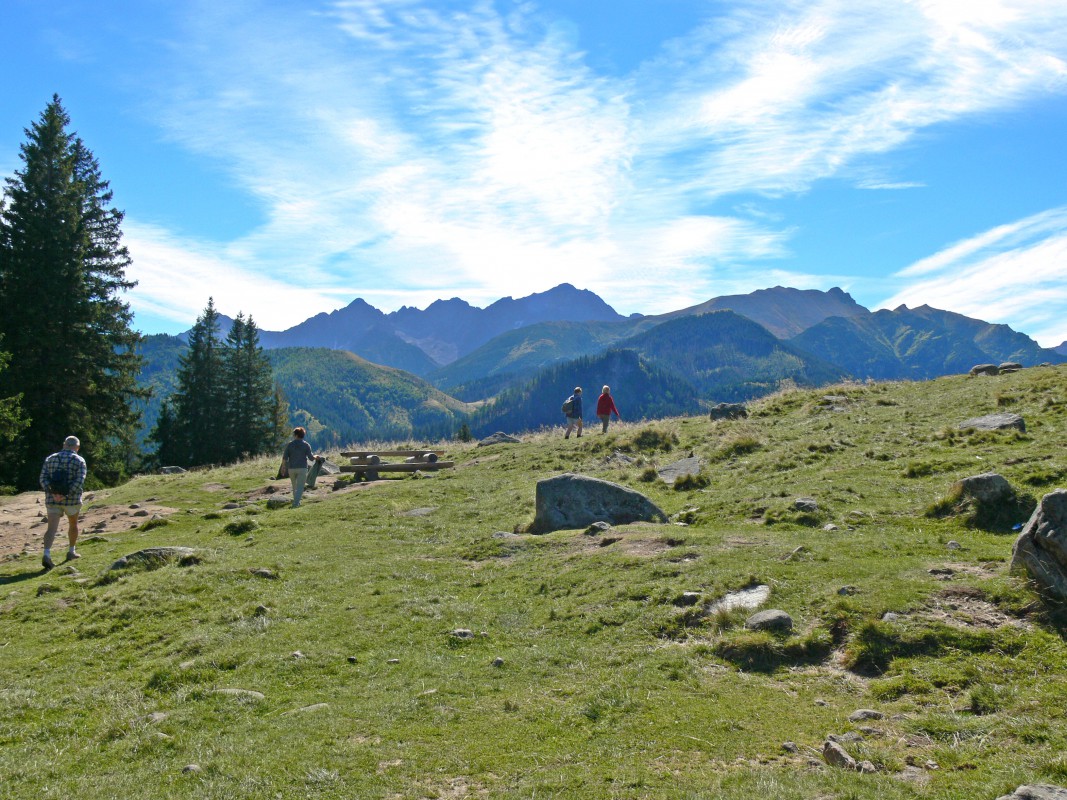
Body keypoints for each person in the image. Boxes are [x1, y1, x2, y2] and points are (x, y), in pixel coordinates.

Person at [39, 435, 88, 570]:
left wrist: (53, 493)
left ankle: (47, 554)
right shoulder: (79, 461)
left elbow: (43, 479)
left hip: (52, 500)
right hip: (72, 501)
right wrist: (66, 495)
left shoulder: (50, 458)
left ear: (64, 444)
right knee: (73, 524)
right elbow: (79, 481)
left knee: (51, 528)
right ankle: (71, 551)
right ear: (77, 447)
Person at [282, 427, 316, 508]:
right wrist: (316, 456)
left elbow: (285, 458)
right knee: (300, 487)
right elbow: (311, 458)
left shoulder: (290, 445)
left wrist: (283, 467)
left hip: (291, 468)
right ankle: (296, 504)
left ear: (296, 435)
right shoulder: (306, 445)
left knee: (294, 487)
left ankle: (296, 502)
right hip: (302, 468)